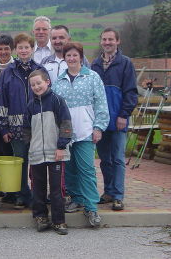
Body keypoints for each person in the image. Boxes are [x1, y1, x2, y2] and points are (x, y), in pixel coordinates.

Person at [54, 42, 109, 228]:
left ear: (80, 57)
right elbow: (56, 110)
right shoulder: (58, 82)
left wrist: (98, 127)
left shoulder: (92, 77)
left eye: (74, 55)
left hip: (86, 131)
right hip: (66, 134)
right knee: (69, 169)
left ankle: (91, 206)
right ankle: (76, 198)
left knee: (86, 169)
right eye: (68, 55)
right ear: (64, 58)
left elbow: (101, 103)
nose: (71, 58)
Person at [0, 33, 43, 209]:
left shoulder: (40, 70)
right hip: (16, 127)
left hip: (38, 125)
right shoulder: (8, 72)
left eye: (27, 47)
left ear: (32, 49)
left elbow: (47, 97)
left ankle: (38, 194)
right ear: (16, 49)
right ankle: (22, 194)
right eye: (20, 47)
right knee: (20, 161)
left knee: (38, 162)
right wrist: (3, 127)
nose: (23, 50)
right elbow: (3, 101)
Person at [91, 28, 138, 211]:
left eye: (111, 39)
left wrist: (123, 115)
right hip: (101, 122)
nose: (107, 42)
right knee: (105, 159)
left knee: (118, 158)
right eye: (104, 39)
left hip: (118, 119)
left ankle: (118, 195)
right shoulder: (95, 64)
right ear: (101, 42)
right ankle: (108, 191)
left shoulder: (125, 63)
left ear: (117, 41)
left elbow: (131, 92)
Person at [26, 69, 72, 235]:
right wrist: (29, 145)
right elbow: (26, 129)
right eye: (33, 85)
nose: (36, 87)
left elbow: (66, 125)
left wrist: (61, 146)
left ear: (47, 82)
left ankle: (59, 221)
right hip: (37, 153)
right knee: (37, 187)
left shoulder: (57, 101)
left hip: (56, 153)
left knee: (56, 189)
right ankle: (40, 217)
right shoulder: (30, 106)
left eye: (39, 83)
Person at [0, 35, 14, 157]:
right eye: (0, 49)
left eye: (6, 48)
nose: (3, 52)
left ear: (12, 49)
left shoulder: (17, 67)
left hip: (14, 114)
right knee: (0, 149)